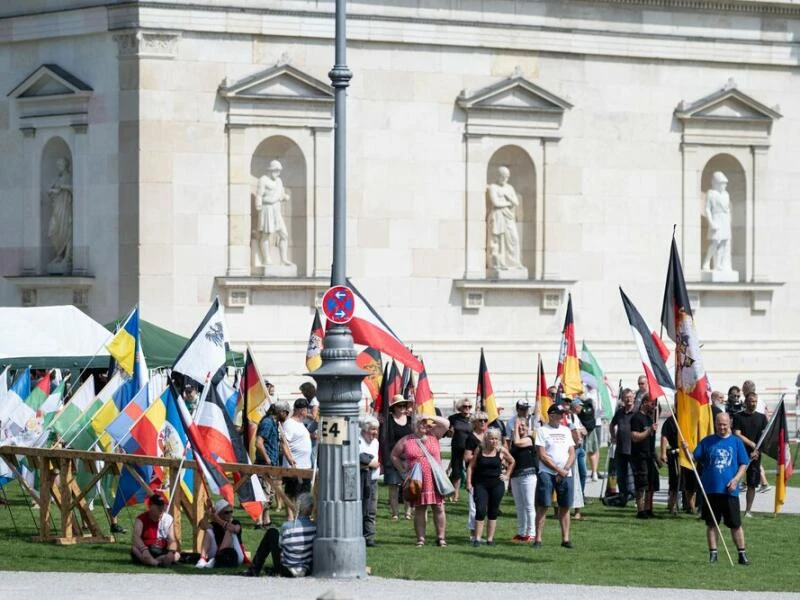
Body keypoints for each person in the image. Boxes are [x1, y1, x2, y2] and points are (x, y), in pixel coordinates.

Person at [689, 412, 750, 565]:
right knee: (711, 524)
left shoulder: (736, 442)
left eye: (724, 424)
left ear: (729, 423)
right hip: (711, 490)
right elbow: (694, 458)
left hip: (730, 490)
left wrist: (736, 480)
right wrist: (686, 450)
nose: (722, 427)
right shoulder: (707, 441)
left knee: (735, 524)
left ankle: (742, 554)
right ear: (715, 424)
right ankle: (713, 555)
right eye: (719, 424)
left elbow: (744, 463)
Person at [390, 415, 451, 547]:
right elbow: (394, 455)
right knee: (420, 509)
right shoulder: (407, 440)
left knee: (439, 507)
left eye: (426, 423)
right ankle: (420, 539)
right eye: (421, 423)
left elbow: (446, 424)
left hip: (435, 479)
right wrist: (403, 471)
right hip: (417, 479)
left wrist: (428, 416)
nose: (424, 426)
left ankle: (441, 538)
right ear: (415, 424)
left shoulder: (434, 435)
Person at [242, 492, 316, 577]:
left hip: (286, 570)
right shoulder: (315, 527)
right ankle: (259, 569)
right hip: (306, 570)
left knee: (272, 532)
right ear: (311, 509)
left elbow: (281, 545)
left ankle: (254, 569)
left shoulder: (288, 526)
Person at [533, 404, 575, 549]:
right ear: (551, 415)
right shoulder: (542, 431)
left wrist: (565, 469)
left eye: (563, 414)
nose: (562, 416)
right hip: (547, 472)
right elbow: (542, 455)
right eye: (559, 414)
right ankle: (538, 538)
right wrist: (558, 470)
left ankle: (565, 539)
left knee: (565, 506)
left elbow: (572, 453)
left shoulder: (566, 431)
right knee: (543, 505)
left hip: (565, 473)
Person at [466, 428, 514, 546]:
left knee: (493, 510)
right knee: (481, 509)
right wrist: (468, 482)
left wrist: (507, 475)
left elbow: (512, 461)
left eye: (496, 439)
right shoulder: (479, 449)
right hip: (480, 484)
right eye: (491, 438)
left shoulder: (501, 450)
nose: (493, 441)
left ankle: (490, 539)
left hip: (496, 484)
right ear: (486, 439)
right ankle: (477, 538)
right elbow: (470, 466)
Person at [255, 400, 290, 528]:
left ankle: (266, 519)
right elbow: (259, 443)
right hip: (265, 464)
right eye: (286, 413)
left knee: (269, 493)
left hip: (272, 463)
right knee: (263, 492)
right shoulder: (268, 423)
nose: (287, 416)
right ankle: (259, 521)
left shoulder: (274, 423)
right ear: (281, 412)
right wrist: (267, 459)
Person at [733, 391, 769, 517]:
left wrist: (757, 450)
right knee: (734, 480)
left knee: (752, 484)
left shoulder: (761, 417)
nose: (753, 404)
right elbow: (737, 434)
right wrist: (752, 444)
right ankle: (733, 508)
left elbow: (764, 436)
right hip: (740, 453)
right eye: (751, 401)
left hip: (755, 455)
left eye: (755, 401)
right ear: (746, 402)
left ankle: (748, 510)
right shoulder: (738, 417)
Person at [380, 394, 414, 520]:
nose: (402, 408)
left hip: (408, 457)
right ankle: (395, 513)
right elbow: (383, 440)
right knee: (393, 486)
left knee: (408, 486)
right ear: (393, 407)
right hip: (392, 458)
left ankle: (408, 512)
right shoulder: (387, 421)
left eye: (404, 405)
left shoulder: (411, 421)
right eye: (399, 406)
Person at [254, 159, 293, 267]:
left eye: (279, 171)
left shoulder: (279, 181)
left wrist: (285, 197)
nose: (278, 173)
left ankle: (283, 259)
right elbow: (259, 195)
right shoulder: (263, 180)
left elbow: (281, 194)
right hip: (267, 209)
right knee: (266, 234)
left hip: (276, 209)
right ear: (271, 170)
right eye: (276, 170)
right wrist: (258, 205)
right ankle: (266, 259)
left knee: (284, 234)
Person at [486, 165, 523, 270]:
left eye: (507, 177)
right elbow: (496, 203)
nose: (505, 179)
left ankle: (514, 263)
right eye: (503, 177)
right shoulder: (493, 187)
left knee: (514, 238)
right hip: (498, 216)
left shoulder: (509, 188)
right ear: (499, 176)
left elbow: (516, 202)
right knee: (498, 240)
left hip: (509, 217)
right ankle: (499, 263)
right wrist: (508, 202)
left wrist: (507, 196)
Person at [630, 396, 660, 519]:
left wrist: (656, 457)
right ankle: (640, 509)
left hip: (650, 456)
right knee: (642, 484)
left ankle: (649, 508)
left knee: (652, 484)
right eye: (652, 404)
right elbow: (635, 437)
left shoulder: (649, 418)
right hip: (640, 456)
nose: (654, 407)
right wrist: (648, 431)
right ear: (644, 403)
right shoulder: (637, 418)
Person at [282, 398, 312, 518]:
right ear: (302, 410)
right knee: (291, 493)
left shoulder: (301, 424)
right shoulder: (289, 424)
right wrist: (289, 458)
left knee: (303, 494)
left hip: (305, 466)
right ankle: (290, 518)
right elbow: (284, 443)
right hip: (294, 466)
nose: (308, 413)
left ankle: (301, 517)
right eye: (306, 410)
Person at [131, 494, 180, 566]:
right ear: (150, 506)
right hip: (146, 548)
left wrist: (171, 552)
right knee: (135, 549)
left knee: (177, 555)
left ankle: (156, 561)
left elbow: (172, 539)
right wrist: (144, 550)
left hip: (161, 549)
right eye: (158, 506)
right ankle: (155, 562)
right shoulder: (141, 519)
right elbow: (136, 537)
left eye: (162, 505)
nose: (161, 508)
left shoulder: (168, 519)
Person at [509, 418, 537, 543]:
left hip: (528, 475)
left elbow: (518, 443)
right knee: (519, 506)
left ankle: (531, 533)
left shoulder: (529, 439)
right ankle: (521, 532)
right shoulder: (514, 442)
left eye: (523, 426)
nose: (521, 428)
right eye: (519, 426)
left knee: (529, 505)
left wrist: (515, 426)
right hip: (516, 476)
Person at [464, 411, 490, 542]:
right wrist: (480, 456)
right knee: (474, 507)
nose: (483, 423)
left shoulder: (490, 436)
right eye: (480, 420)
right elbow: (467, 457)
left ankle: (484, 534)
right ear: (474, 422)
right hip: (475, 475)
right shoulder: (471, 438)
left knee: (486, 507)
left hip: (489, 475)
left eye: (485, 420)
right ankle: (473, 534)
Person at [196, 499, 244, 568]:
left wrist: (217, 519)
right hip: (218, 552)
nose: (230, 514)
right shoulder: (215, 524)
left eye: (231, 511)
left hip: (236, 555)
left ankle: (217, 559)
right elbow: (202, 525)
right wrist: (207, 510)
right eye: (227, 512)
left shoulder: (235, 522)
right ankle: (202, 559)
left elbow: (235, 529)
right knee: (208, 531)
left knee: (229, 530)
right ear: (220, 514)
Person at [701, 171, 733, 273]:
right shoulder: (711, 193)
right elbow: (707, 209)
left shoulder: (726, 194)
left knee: (724, 242)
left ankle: (720, 264)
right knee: (715, 242)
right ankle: (706, 262)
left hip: (724, 219)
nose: (724, 185)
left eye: (725, 183)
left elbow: (728, 209)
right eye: (722, 183)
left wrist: (729, 220)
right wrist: (711, 223)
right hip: (716, 218)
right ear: (716, 183)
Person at [609, 388, 636, 502]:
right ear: (623, 399)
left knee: (634, 475)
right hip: (620, 448)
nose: (628, 399)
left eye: (630, 397)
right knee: (621, 475)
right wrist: (613, 436)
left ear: (633, 397)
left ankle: (634, 496)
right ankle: (623, 495)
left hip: (633, 449)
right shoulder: (619, 412)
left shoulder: (637, 412)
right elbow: (612, 424)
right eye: (626, 397)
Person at [47, 156, 73, 268]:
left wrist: (64, 187)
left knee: (66, 229)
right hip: (57, 206)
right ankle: (59, 254)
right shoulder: (57, 178)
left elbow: (75, 189)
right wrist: (52, 191)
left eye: (60, 165)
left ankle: (65, 257)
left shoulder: (70, 176)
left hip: (66, 206)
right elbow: (50, 190)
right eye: (58, 165)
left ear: (65, 165)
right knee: (52, 230)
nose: (58, 167)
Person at [358, 415, 380, 547]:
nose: (375, 432)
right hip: (360, 480)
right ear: (365, 429)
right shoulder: (357, 441)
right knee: (360, 509)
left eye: (376, 429)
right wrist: (370, 462)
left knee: (371, 510)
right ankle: (359, 536)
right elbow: (358, 457)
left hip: (373, 480)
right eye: (372, 429)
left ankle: (369, 537)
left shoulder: (375, 442)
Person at [447, 397, 473, 502]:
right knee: (456, 472)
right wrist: (450, 432)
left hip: (470, 448)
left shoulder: (474, 418)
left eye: (469, 406)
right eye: (465, 406)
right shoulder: (453, 418)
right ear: (460, 407)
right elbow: (448, 433)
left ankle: (472, 493)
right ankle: (455, 494)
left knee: (471, 470)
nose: (467, 408)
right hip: (457, 447)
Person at [568, 398, 587, 520]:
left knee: (583, 474)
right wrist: (579, 431)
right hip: (573, 449)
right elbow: (574, 431)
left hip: (580, 449)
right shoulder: (569, 417)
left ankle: (581, 497)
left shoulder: (576, 417)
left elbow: (584, 431)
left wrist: (579, 431)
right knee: (574, 477)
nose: (581, 408)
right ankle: (574, 506)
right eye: (580, 405)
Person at [660, 407, 681, 516]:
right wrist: (663, 453)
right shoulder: (671, 421)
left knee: (690, 482)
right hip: (675, 453)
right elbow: (664, 436)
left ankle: (690, 506)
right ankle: (672, 505)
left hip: (688, 453)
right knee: (675, 480)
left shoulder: (688, 418)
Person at [579, 394, 601, 481]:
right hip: (587, 428)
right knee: (588, 451)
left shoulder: (587, 399)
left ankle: (592, 472)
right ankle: (592, 472)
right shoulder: (590, 400)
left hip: (586, 428)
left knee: (589, 451)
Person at [299, 382, 320, 468]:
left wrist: (303, 413)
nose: (302, 393)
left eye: (303, 391)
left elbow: (314, 416)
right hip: (308, 427)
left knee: (312, 452)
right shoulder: (309, 400)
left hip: (312, 428)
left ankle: (313, 470)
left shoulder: (314, 401)